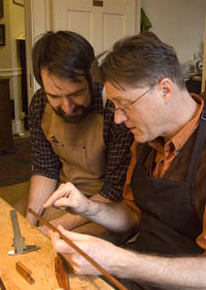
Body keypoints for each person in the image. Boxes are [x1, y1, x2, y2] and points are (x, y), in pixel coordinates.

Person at [41, 32, 206, 290]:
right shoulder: (147, 139)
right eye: (114, 106)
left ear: (165, 90)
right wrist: (88, 207)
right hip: (150, 275)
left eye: (124, 105)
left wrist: (119, 260)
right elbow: (134, 215)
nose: (118, 118)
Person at [25, 31, 133, 236]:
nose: (67, 107)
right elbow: (45, 167)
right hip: (61, 191)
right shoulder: (40, 102)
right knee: (18, 230)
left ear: (92, 78)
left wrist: (54, 228)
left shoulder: (114, 109)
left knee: (64, 251)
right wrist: (31, 220)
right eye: (55, 96)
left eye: (76, 94)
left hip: (104, 204)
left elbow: (113, 189)